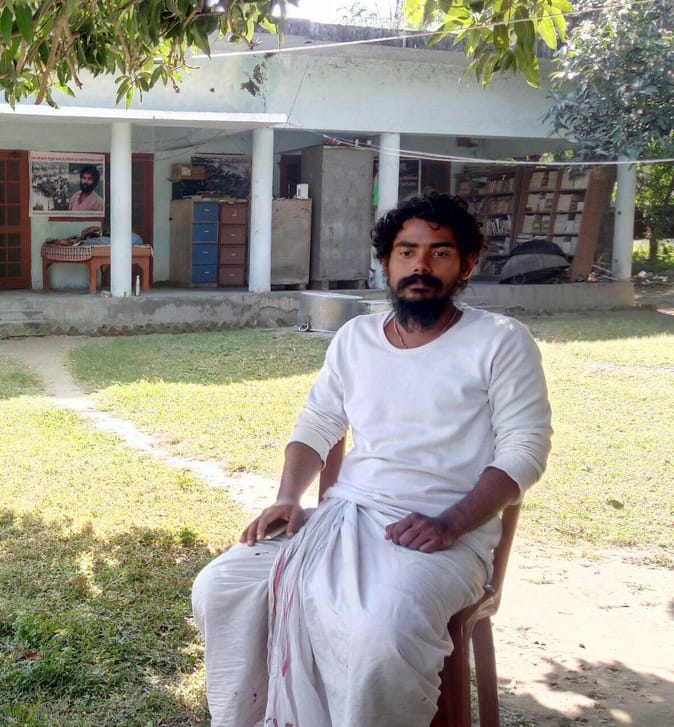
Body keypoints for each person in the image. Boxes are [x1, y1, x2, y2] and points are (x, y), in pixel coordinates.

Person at [192, 190, 552, 727]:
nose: (420, 266)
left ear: (467, 264)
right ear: (385, 261)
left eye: (440, 252)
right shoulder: (356, 337)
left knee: (380, 631)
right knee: (224, 587)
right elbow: (318, 424)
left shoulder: (500, 341)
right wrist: (288, 497)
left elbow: (526, 448)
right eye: (407, 252)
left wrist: (451, 523)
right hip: (345, 517)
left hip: (444, 535)